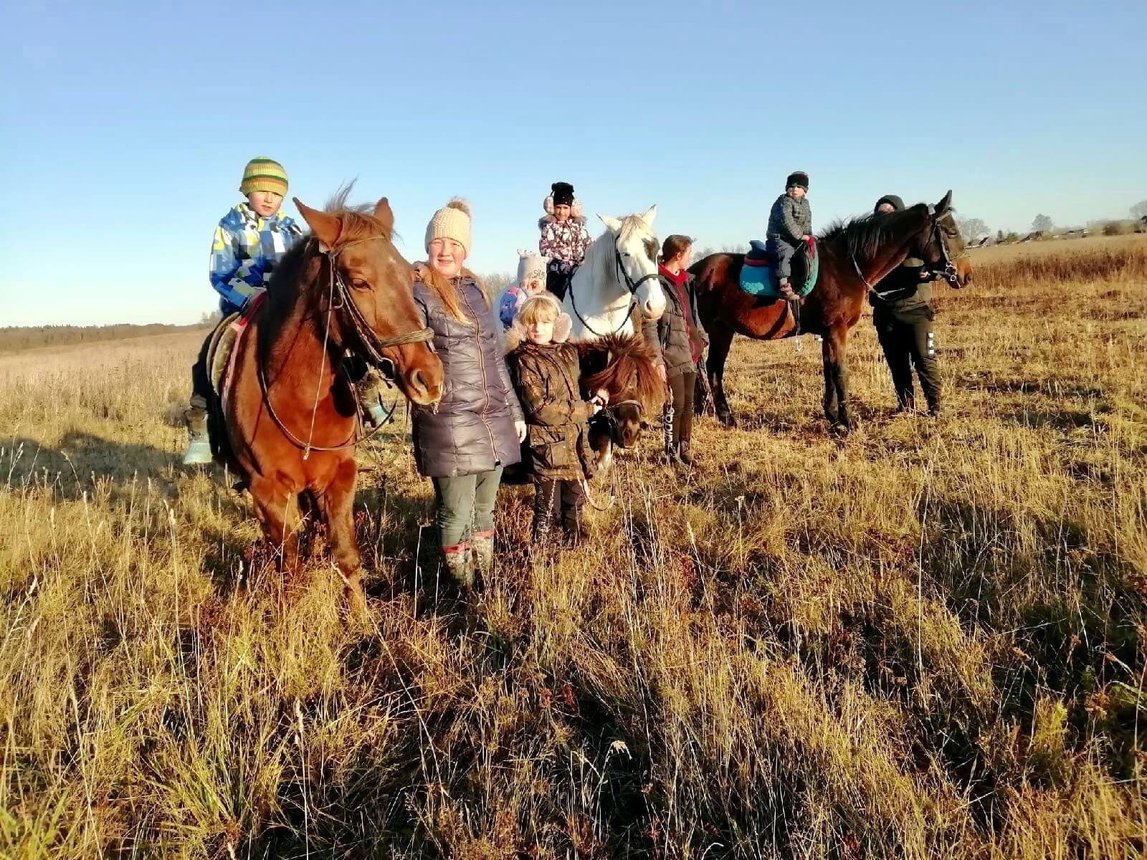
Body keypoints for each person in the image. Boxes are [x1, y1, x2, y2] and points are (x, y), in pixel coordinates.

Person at [181, 157, 389, 466]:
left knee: (338, 334)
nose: (269, 199)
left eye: (276, 193)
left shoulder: (291, 227)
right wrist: (248, 298)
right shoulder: (230, 226)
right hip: (245, 307)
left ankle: (365, 391)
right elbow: (220, 275)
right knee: (209, 353)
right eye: (261, 191)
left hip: (288, 307)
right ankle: (202, 426)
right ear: (247, 191)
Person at [410, 198, 526, 591]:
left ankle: (485, 583)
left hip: (492, 417)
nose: (446, 250)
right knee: (455, 513)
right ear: (428, 245)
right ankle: (460, 591)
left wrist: (514, 412)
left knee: (484, 509)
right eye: (438, 242)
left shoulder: (477, 291)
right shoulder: (417, 292)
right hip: (449, 421)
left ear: (466, 250)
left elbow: (494, 356)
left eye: (454, 243)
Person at [506, 293, 607, 550]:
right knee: (548, 509)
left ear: (556, 324)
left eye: (544, 322)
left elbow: (584, 382)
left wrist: (600, 393)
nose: (537, 328)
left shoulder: (569, 352)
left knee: (574, 505)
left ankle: (571, 558)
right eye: (531, 322)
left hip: (575, 443)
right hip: (546, 447)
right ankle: (542, 561)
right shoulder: (524, 360)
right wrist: (586, 409)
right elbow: (540, 409)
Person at [870, 194, 942, 415]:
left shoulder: (917, 240)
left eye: (890, 213)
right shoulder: (872, 249)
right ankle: (906, 406)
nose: (885, 218)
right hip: (886, 313)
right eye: (881, 214)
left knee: (925, 359)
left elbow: (938, 263)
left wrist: (929, 273)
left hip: (917, 312)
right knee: (897, 364)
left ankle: (935, 406)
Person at [656, 235, 708, 467]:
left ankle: (684, 448)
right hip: (670, 352)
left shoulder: (686, 281)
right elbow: (649, 325)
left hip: (690, 349)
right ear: (678, 255)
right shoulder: (656, 283)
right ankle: (670, 452)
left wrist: (701, 336)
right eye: (689, 253)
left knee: (688, 403)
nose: (691, 257)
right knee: (675, 404)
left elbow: (692, 313)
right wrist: (657, 357)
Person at [538, 181, 592, 300]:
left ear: (572, 209)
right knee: (557, 292)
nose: (561, 212)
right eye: (558, 207)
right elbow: (545, 250)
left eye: (565, 208)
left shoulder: (579, 227)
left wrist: (586, 261)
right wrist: (562, 265)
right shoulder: (549, 227)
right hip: (557, 272)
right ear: (552, 208)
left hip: (579, 269)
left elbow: (589, 246)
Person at [766, 170, 813, 299]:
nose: (794, 189)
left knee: (808, 253)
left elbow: (807, 222)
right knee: (785, 252)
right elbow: (787, 221)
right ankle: (783, 285)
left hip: (795, 239)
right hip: (779, 238)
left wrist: (810, 236)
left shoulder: (805, 204)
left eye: (799, 187)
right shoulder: (783, 201)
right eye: (791, 186)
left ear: (805, 190)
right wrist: (800, 236)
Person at [498, 251, 548, 329]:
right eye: (524, 285)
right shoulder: (512, 298)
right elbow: (506, 317)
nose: (528, 290)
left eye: (534, 285)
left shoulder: (549, 304)